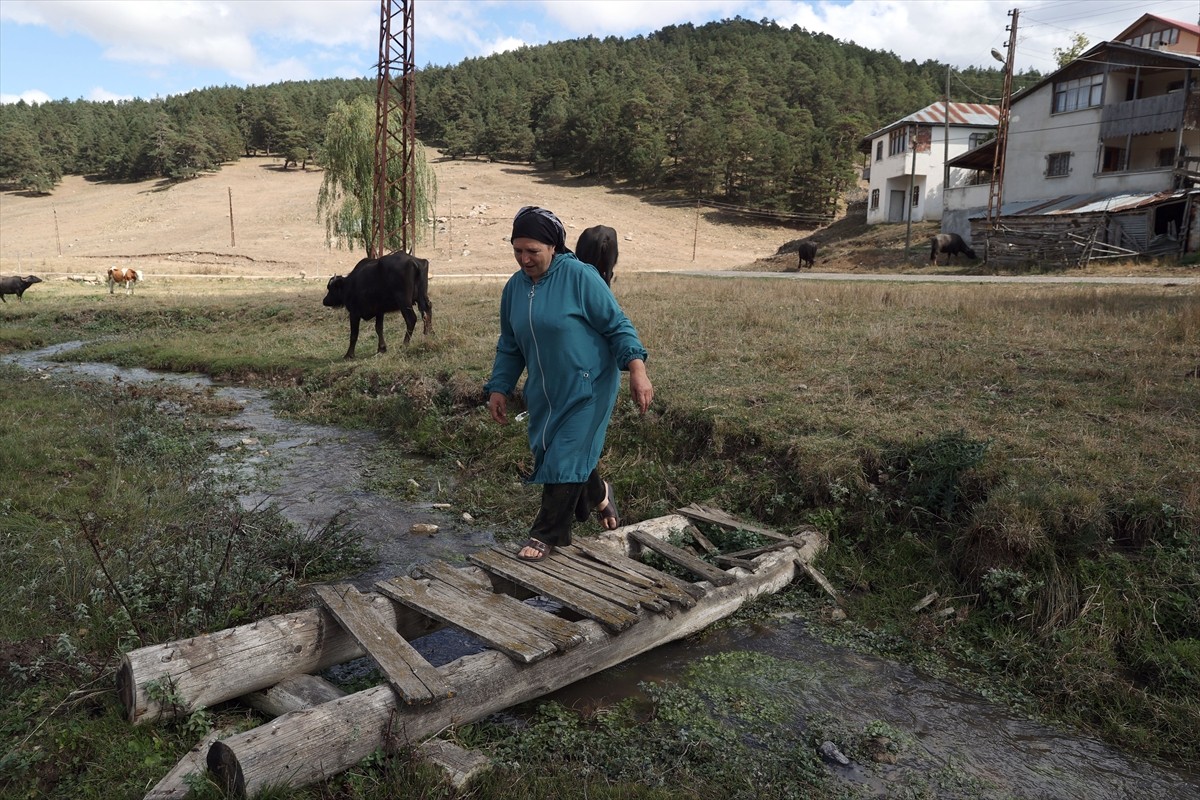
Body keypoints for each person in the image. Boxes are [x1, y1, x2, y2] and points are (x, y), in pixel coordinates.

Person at [485, 206, 653, 562]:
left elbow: (616, 325)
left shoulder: (580, 276)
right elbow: (510, 345)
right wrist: (499, 387)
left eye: (532, 251)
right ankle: (599, 493)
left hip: (589, 385)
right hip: (547, 390)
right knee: (556, 452)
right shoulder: (515, 288)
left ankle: (547, 533)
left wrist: (637, 368)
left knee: (566, 455)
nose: (524, 259)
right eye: (518, 250)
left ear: (553, 246)